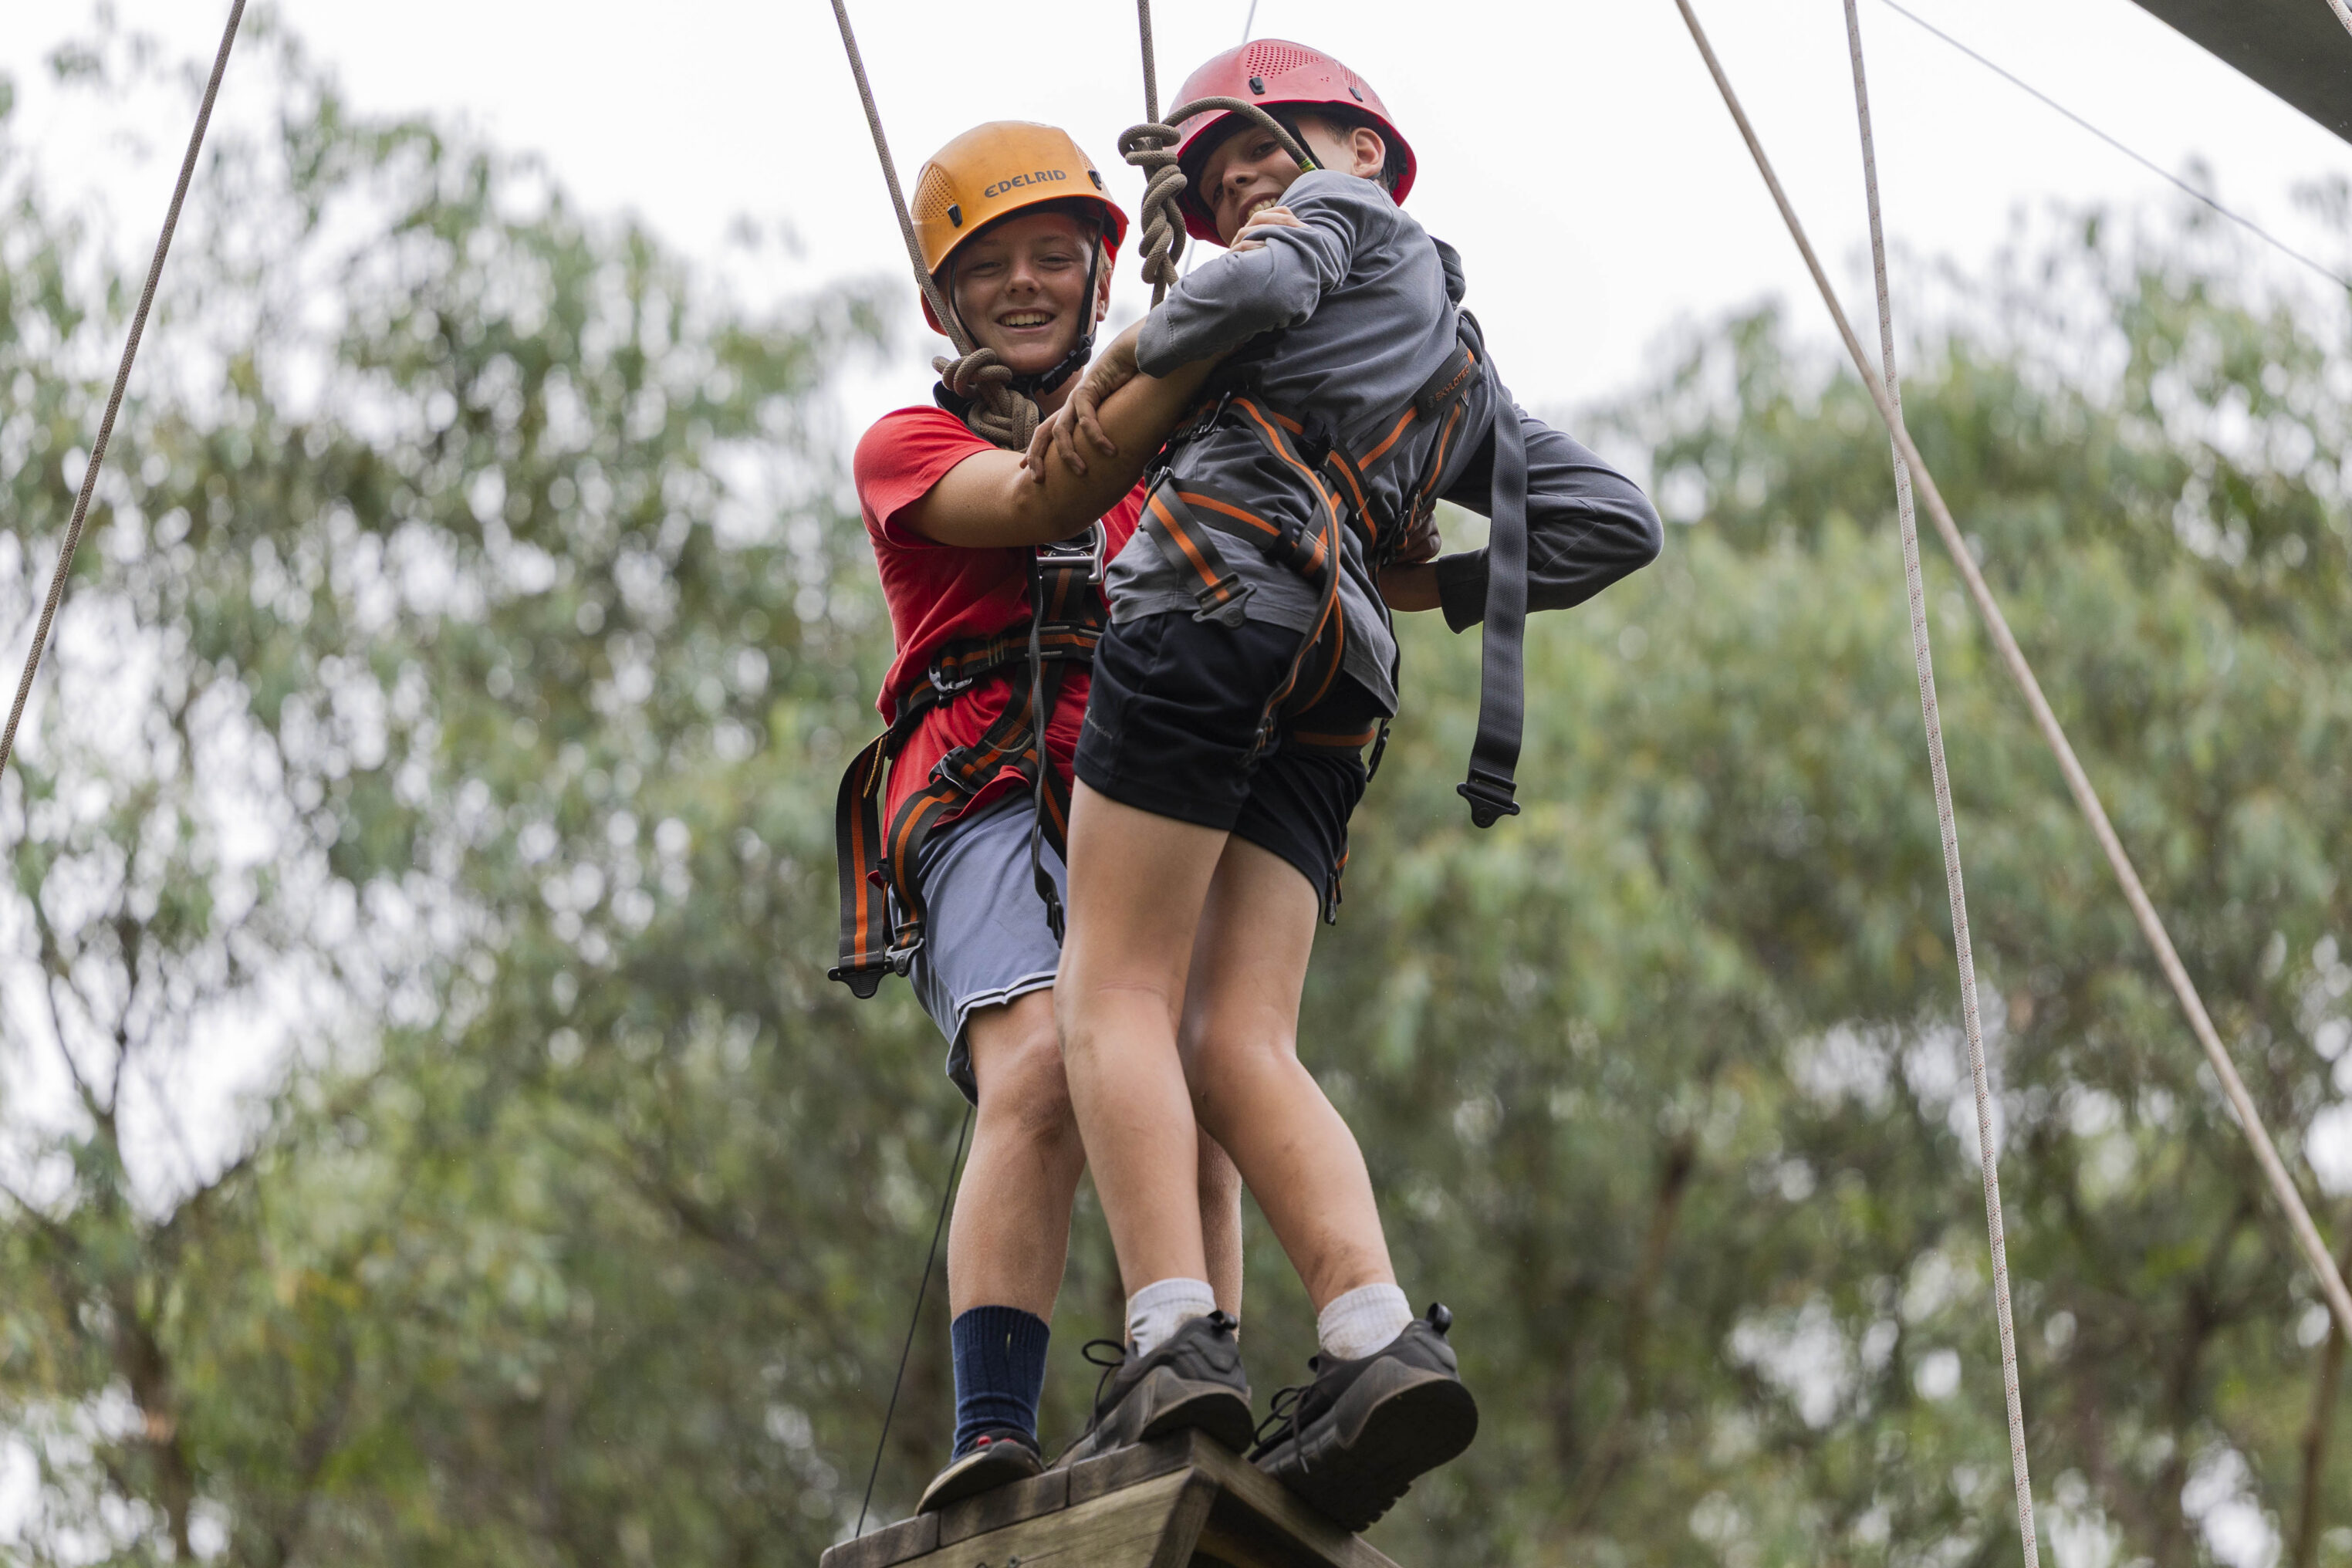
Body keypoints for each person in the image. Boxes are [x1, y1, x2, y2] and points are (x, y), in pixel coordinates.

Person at [1038, 43, 1664, 1529]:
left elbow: (1248, 295)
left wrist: (1125, 356)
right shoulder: (1458, 371)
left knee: (1111, 989)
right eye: (1207, 169)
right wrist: (1429, 580)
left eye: (1269, 143)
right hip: (1340, 663)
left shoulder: (1328, 232)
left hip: (1214, 582)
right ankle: (1372, 1340)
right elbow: (1608, 522)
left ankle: (1170, 1341)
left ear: (1365, 153)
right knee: (1232, 1032)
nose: (1234, 176)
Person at [827, 121, 1246, 1515]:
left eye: (1051, 258)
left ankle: (1195, 1376)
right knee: (1043, 1073)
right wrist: (1184, 355)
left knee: (1194, 1083)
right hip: (980, 787)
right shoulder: (909, 442)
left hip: (1135, 790)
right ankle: (995, 1420)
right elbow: (1036, 492)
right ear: (944, 303)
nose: (1022, 286)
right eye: (988, 266)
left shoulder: (1166, 435)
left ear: (1096, 268)